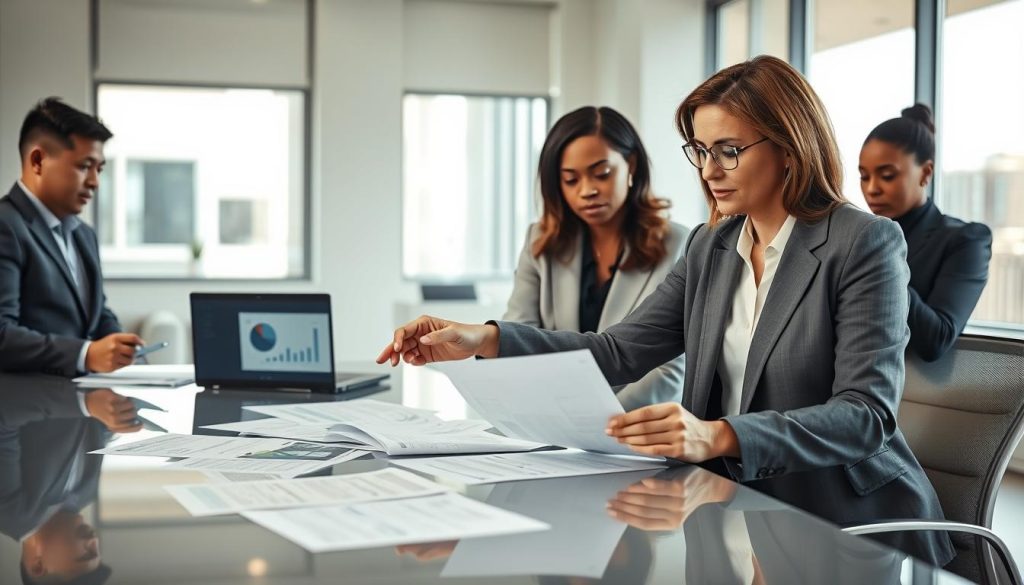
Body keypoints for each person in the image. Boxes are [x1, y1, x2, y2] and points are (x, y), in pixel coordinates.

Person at [378, 55, 954, 567]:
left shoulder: (864, 242)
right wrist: (482, 339)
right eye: (701, 151)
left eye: (729, 150)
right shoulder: (713, 247)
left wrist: (718, 435)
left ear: (789, 147)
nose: (708, 171)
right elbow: (617, 351)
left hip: (842, 521)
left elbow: (864, 414)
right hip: (729, 505)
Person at [504, 106, 688, 409]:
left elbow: (670, 369)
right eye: (570, 180)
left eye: (601, 174)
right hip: (550, 421)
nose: (587, 191)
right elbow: (519, 338)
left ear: (631, 165)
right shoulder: (540, 243)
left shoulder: (680, 245)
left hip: (633, 428)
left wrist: (599, 422)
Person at [0, 97, 142, 377]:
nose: (94, 182)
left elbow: (96, 313)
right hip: (21, 413)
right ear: (38, 161)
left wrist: (123, 348)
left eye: (99, 169)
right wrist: (86, 354)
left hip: (84, 407)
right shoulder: (6, 226)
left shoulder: (83, 234)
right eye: (84, 166)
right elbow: (2, 335)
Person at [859, 104, 992, 362]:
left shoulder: (966, 240)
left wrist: (879, 263)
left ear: (926, 173)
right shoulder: (860, 237)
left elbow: (937, 338)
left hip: (926, 395)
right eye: (864, 177)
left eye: (886, 176)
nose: (871, 189)